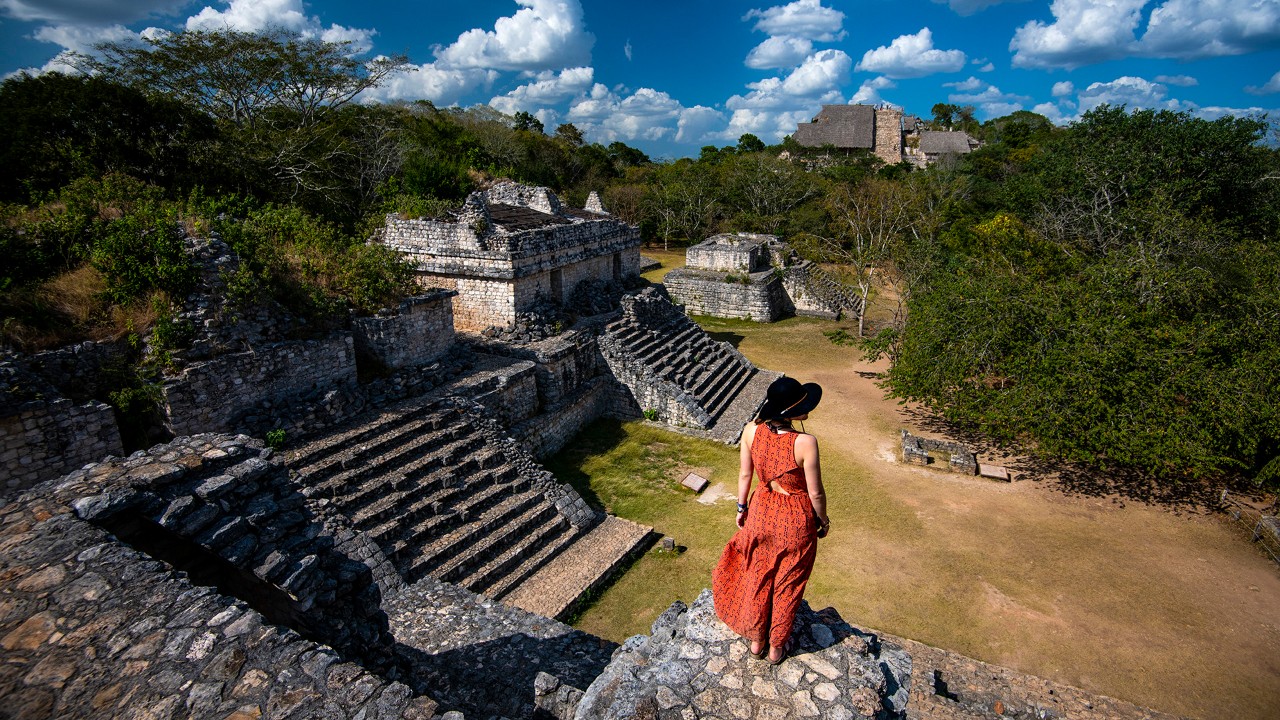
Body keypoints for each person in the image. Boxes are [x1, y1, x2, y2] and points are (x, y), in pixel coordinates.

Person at [712, 376, 830, 664]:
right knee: (789, 582)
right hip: (795, 517)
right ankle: (776, 646)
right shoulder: (805, 442)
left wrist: (741, 508)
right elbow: (815, 492)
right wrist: (823, 521)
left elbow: (744, 475)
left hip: (761, 510)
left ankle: (757, 640)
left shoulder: (751, 430)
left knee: (759, 574)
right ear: (791, 412)